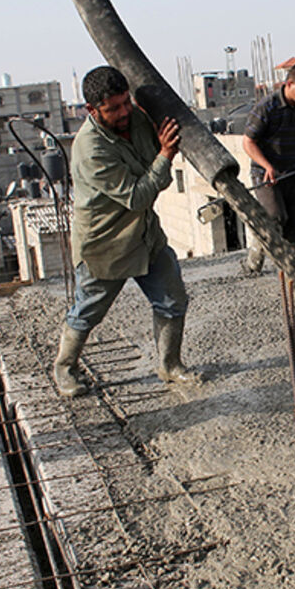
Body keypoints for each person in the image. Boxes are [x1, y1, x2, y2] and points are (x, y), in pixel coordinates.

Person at [51, 66, 198, 397]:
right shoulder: (90, 148)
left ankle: (170, 365)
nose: (122, 113)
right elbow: (136, 196)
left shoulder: (137, 120)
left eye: (124, 103)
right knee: (88, 310)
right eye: (112, 108)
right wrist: (164, 156)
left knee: (172, 300)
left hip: (145, 236)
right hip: (106, 243)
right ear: (92, 110)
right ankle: (64, 368)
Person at [240, 61, 295, 275]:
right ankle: (253, 263)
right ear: (288, 84)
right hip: (267, 173)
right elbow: (248, 142)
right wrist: (266, 166)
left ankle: (291, 266)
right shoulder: (267, 107)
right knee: (274, 218)